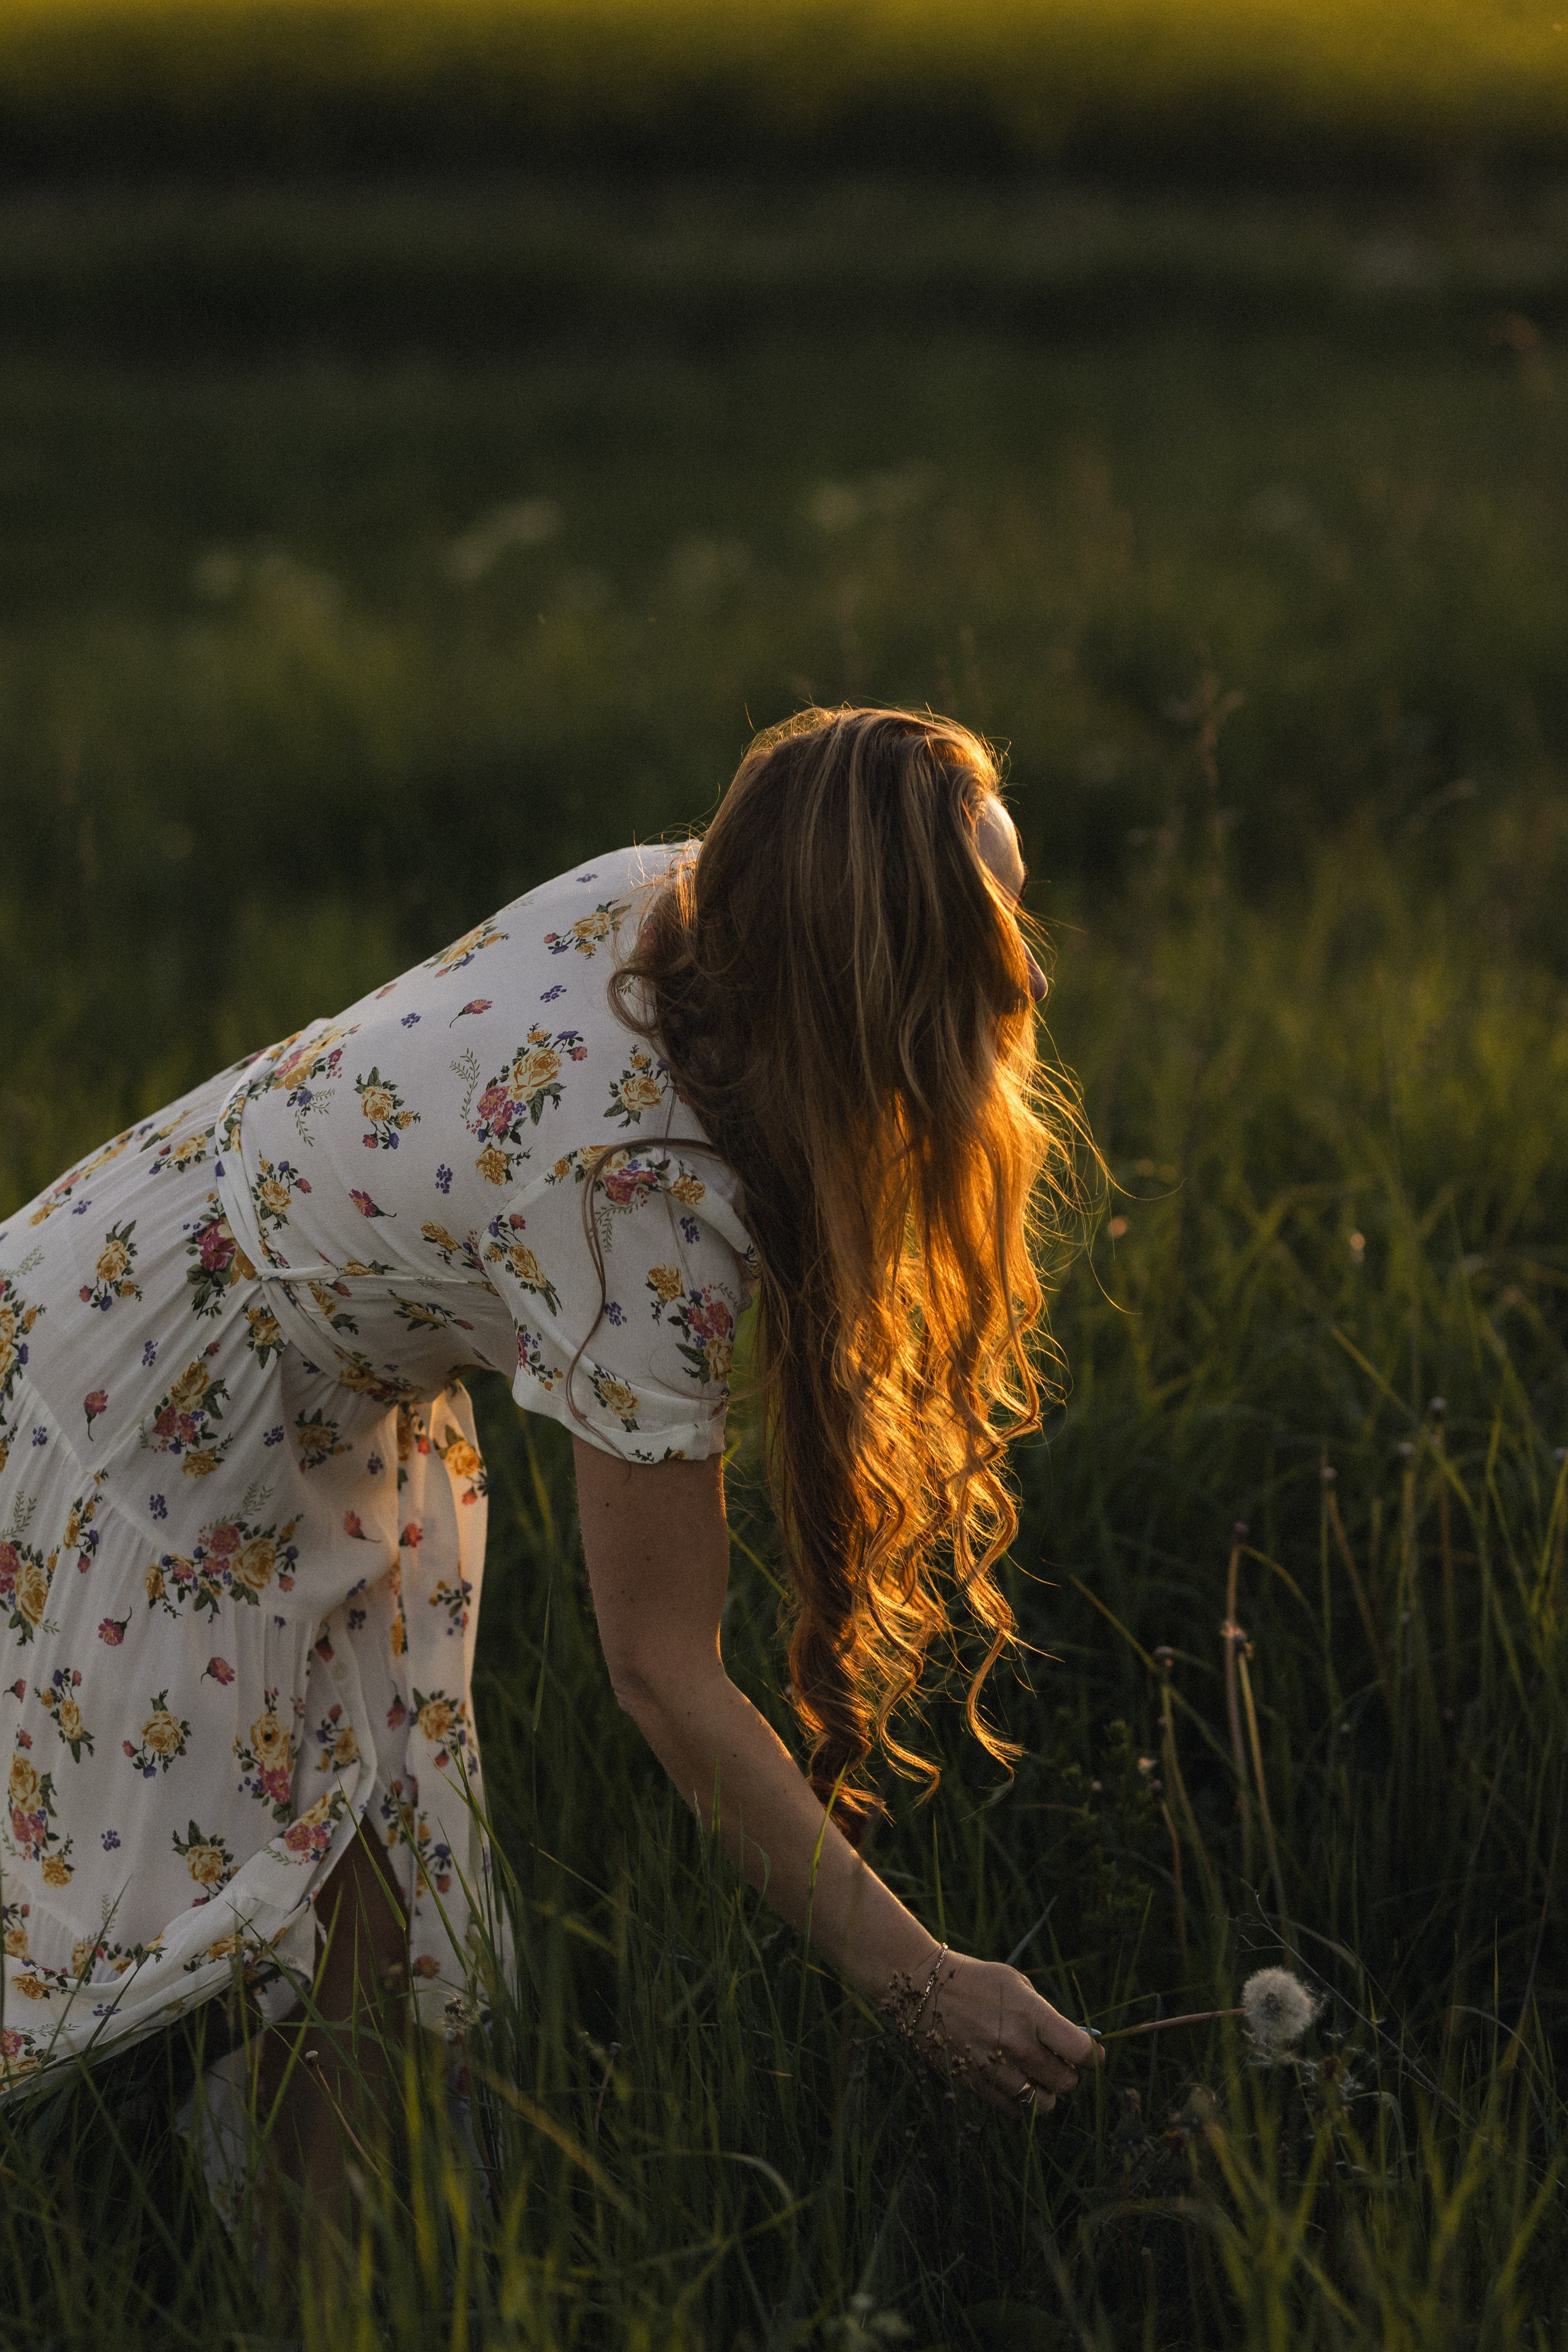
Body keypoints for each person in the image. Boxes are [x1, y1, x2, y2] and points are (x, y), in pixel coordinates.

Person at [0, 704, 1096, 2195]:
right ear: (869, 978)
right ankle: (295, 2275)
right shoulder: (633, 1203)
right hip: (154, 1426)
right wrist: (914, 1981)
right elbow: (659, 1670)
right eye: (979, 954)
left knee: (354, 1923)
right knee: (325, 1918)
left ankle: (322, 2262)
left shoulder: (702, 905)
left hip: (179, 1298)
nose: (1029, 979)